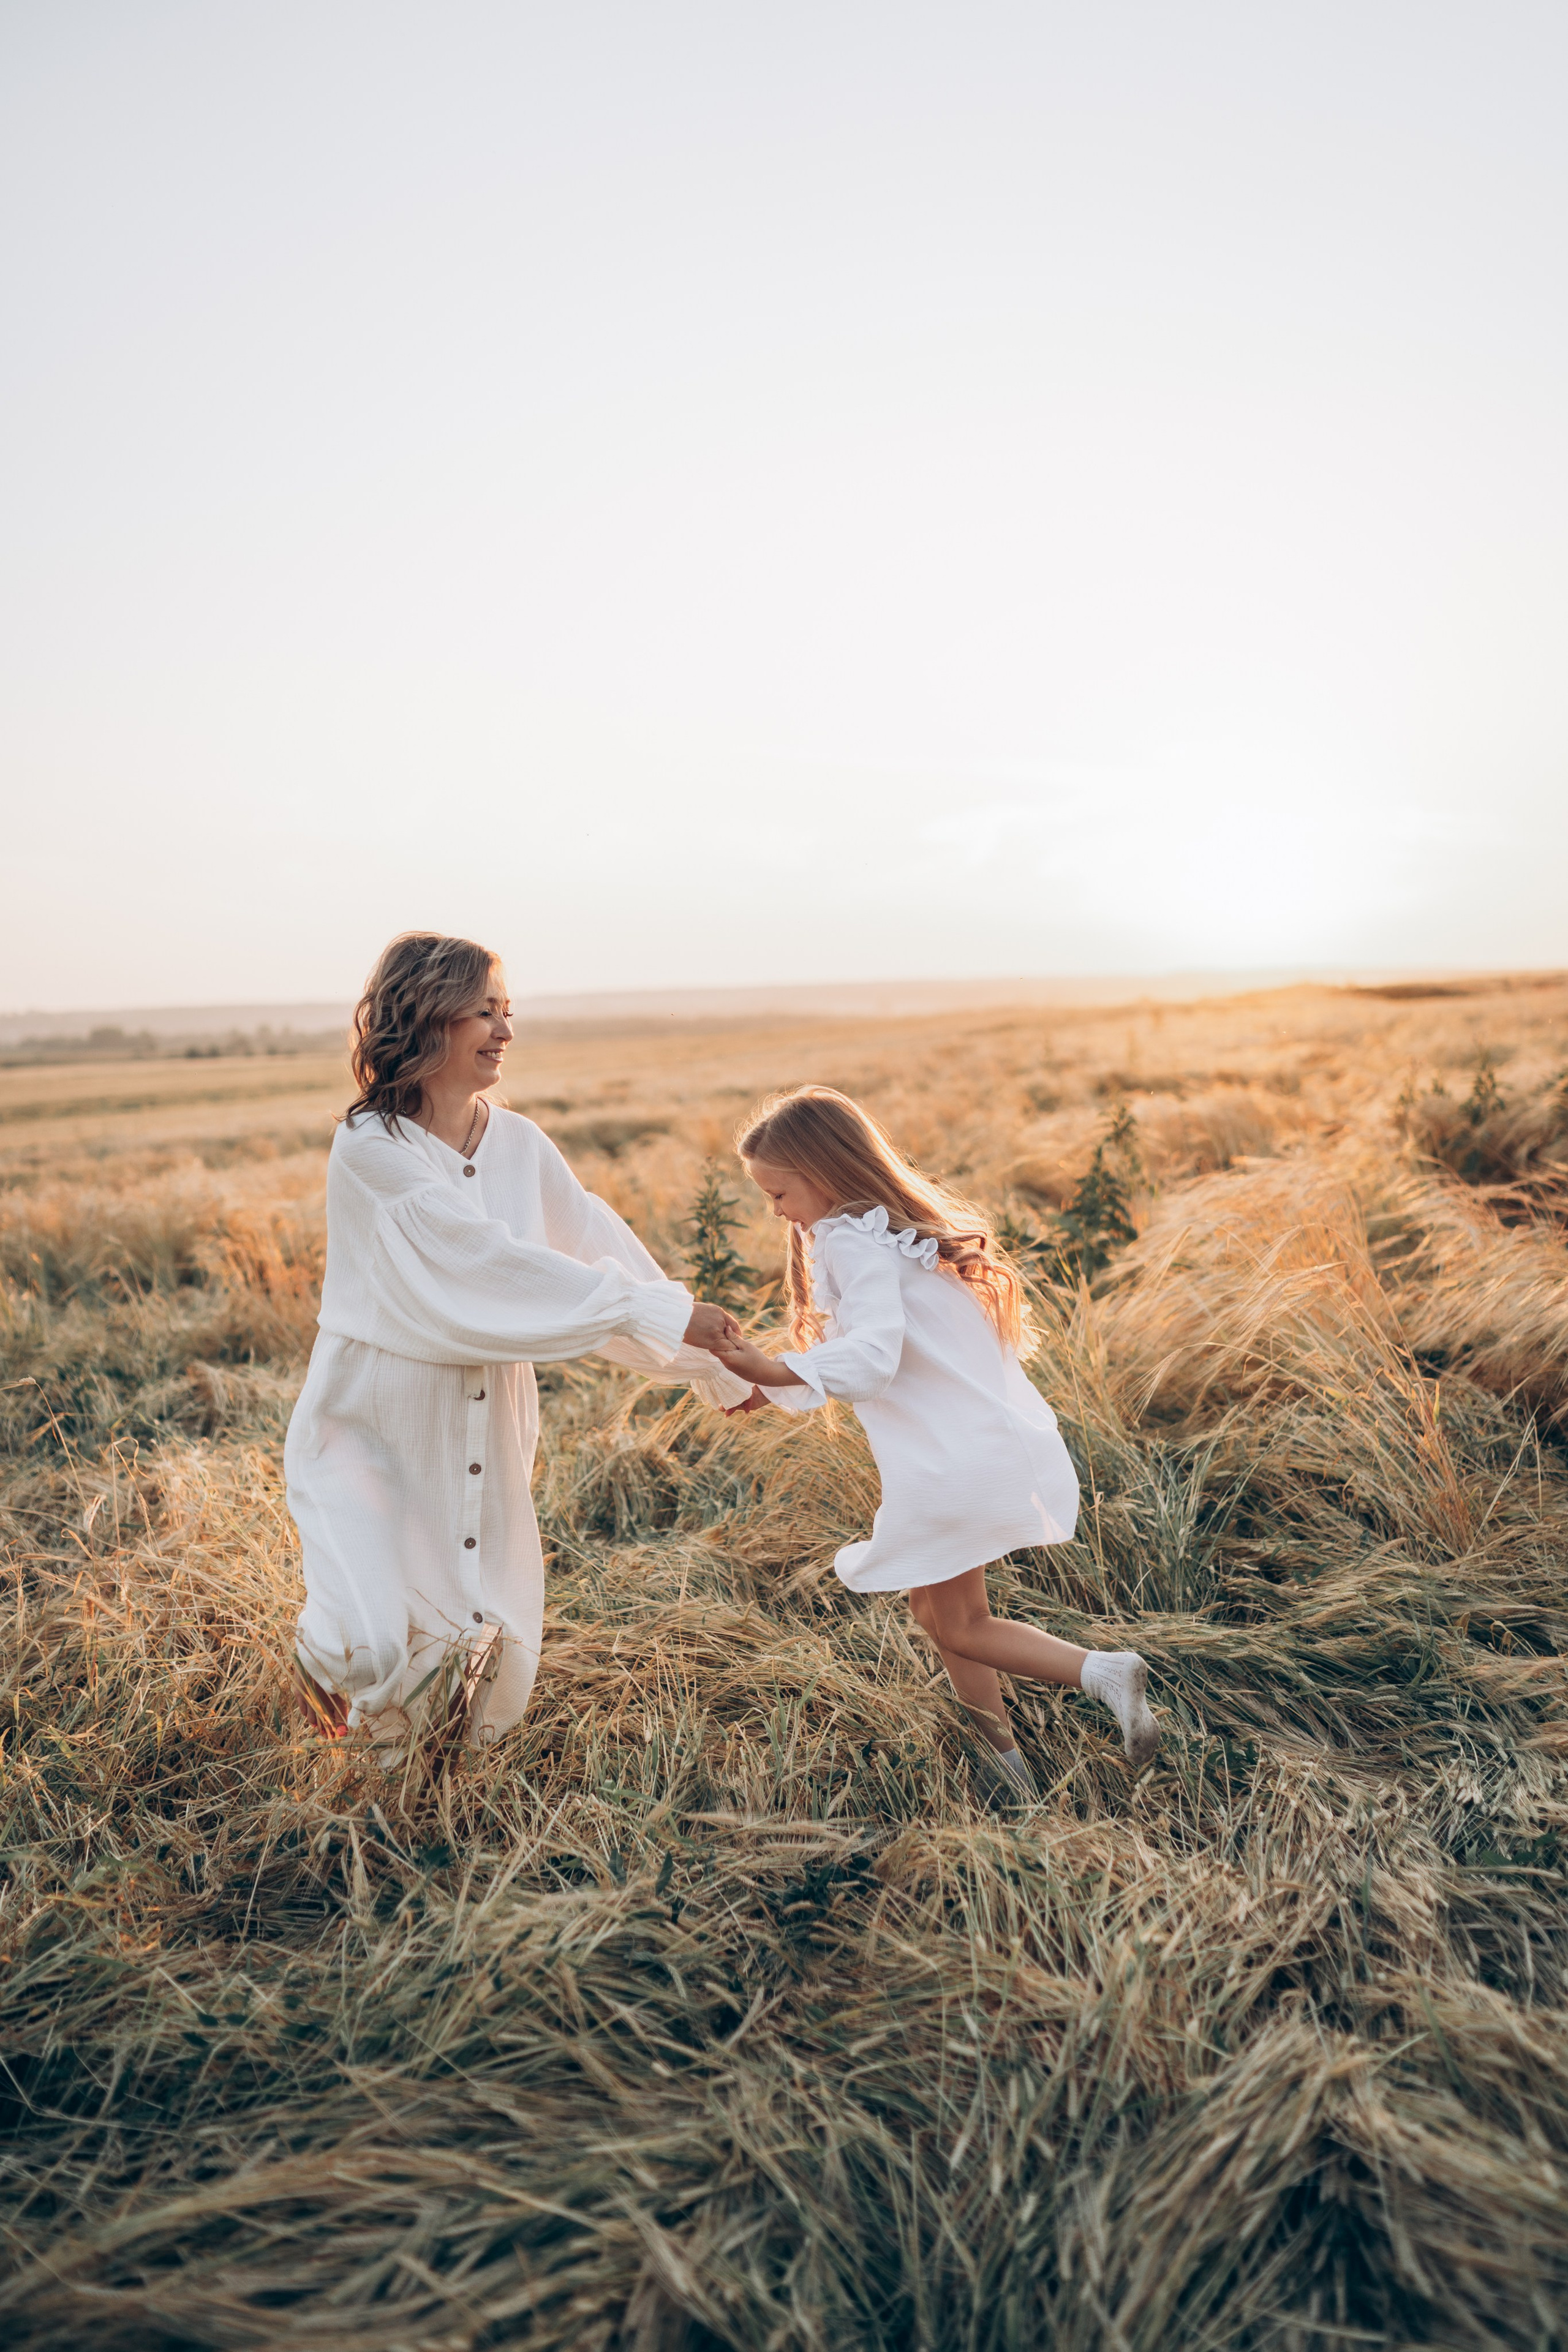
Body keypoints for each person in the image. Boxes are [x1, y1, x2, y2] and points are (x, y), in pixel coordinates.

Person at [285, 932, 748, 1749]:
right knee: (371, 1635)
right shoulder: (370, 1148)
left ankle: (404, 1790)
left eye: (508, 1012)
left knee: (466, 1620)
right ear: (426, 1019)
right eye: (483, 1013)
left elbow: (593, 1246)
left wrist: (712, 1366)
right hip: (373, 1417)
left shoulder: (522, 1143)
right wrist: (661, 1314)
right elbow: (480, 1262)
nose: (505, 1031)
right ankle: (320, 1675)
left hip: (485, 1413)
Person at [707, 1087, 1159, 1796]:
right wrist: (774, 1387)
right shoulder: (893, 1237)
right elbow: (888, 1348)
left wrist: (772, 1369)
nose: (776, 1212)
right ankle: (1005, 1769)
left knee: (961, 1625)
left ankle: (1102, 1673)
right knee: (940, 1615)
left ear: (821, 1173)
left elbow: (874, 1357)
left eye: (779, 1193)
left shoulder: (849, 1240)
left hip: (948, 1465)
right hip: (974, 1449)